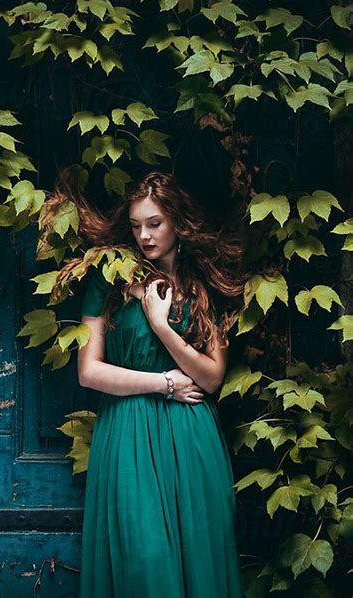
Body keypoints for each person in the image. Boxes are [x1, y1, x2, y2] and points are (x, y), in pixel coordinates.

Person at [52, 168, 247, 597]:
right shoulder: (110, 280)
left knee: (199, 557)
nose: (144, 236)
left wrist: (161, 326)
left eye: (155, 224)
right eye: (137, 225)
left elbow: (212, 377)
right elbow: (89, 371)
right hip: (129, 433)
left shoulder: (201, 285)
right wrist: (163, 383)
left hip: (193, 437)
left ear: (177, 221)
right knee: (145, 562)